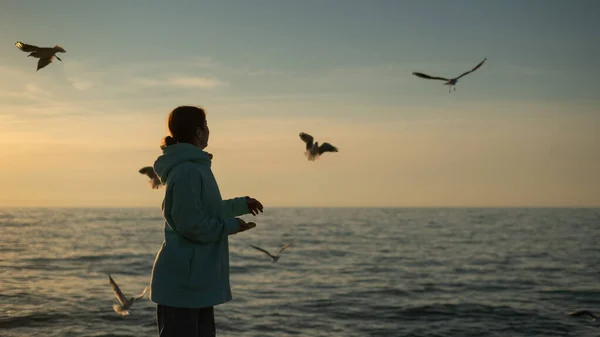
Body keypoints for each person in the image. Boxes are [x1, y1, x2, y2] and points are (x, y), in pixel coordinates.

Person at [150, 105, 264, 337]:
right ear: (199, 132)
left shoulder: (194, 168)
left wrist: (241, 205)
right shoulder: (187, 172)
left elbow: (206, 210)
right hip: (183, 287)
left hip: (195, 284)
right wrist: (232, 226)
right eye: (206, 126)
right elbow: (192, 225)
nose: (209, 131)